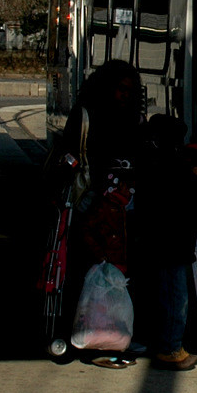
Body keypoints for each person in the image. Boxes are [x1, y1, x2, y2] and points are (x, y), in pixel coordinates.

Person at [61, 60, 147, 368]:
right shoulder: (87, 116)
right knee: (90, 270)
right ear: (107, 87)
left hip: (124, 209)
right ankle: (92, 337)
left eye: (130, 91)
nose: (125, 96)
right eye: (121, 89)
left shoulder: (134, 121)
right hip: (94, 207)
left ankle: (114, 335)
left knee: (120, 274)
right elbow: (69, 154)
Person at [135, 115, 197, 371]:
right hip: (172, 248)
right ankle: (171, 349)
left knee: (165, 296)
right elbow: (184, 212)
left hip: (160, 245)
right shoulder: (175, 168)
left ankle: (166, 344)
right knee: (175, 298)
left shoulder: (155, 162)